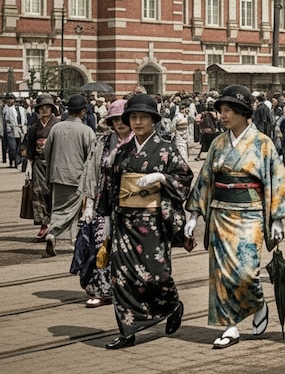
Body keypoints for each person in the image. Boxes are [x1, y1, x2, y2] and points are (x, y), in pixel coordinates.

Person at [184, 84, 285, 349]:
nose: (223, 115)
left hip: (251, 214)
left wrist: (277, 218)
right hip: (220, 213)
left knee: (247, 271)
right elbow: (205, 180)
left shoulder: (263, 143)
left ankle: (257, 303)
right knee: (222, 274)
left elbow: (277, 179)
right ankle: (230, 326)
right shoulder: (218, 143)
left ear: (243, 112)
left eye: (228, 110)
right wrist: (193, 216)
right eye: (221, 110)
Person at [95, 93, 193, 349]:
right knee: (122, 277)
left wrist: (161, 177)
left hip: (153, 222)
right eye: (133, 117)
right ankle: (127, 330)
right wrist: (106, 220)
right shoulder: (121, 152)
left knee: (157, 275)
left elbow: (184, 178)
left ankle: (171, 305)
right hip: (123, 222)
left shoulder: (166, 149)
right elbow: (109, 186)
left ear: (153, 120)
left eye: (143, 117)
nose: (137, 122)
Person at [74, 99, 131, 308]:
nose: (120, 123)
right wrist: (89, 204)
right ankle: (100, 289)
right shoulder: (102, 142)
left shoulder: (138, 142)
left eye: (123, 118)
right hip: (103, 202)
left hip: (130, 204)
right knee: (99, 244)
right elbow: (91, 171)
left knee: (126, 248)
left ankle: (125, 291)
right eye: (115, 119)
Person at [42, 94, 96, 256]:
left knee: (60, 207)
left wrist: (51, 171)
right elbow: (92, 157)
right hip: (76, 176)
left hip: (57, 174)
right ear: (83, 111)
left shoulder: (56, 128)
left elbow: (47, 151)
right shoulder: (87, 131)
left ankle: (73, 238)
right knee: (70, 210)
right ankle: (53, 232)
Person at [23, 93, 59, 241]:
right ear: (37, 110)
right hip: (38, 164)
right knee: (39, 194)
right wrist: (28, 165)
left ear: (52, 109)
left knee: (55, 193)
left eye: (47, 107)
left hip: (55, 163)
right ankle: (44, 225)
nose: (44, 110)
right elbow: (28, 148)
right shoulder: (33, 128)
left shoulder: (58, 126)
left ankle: (56, 224)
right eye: (41, 107)